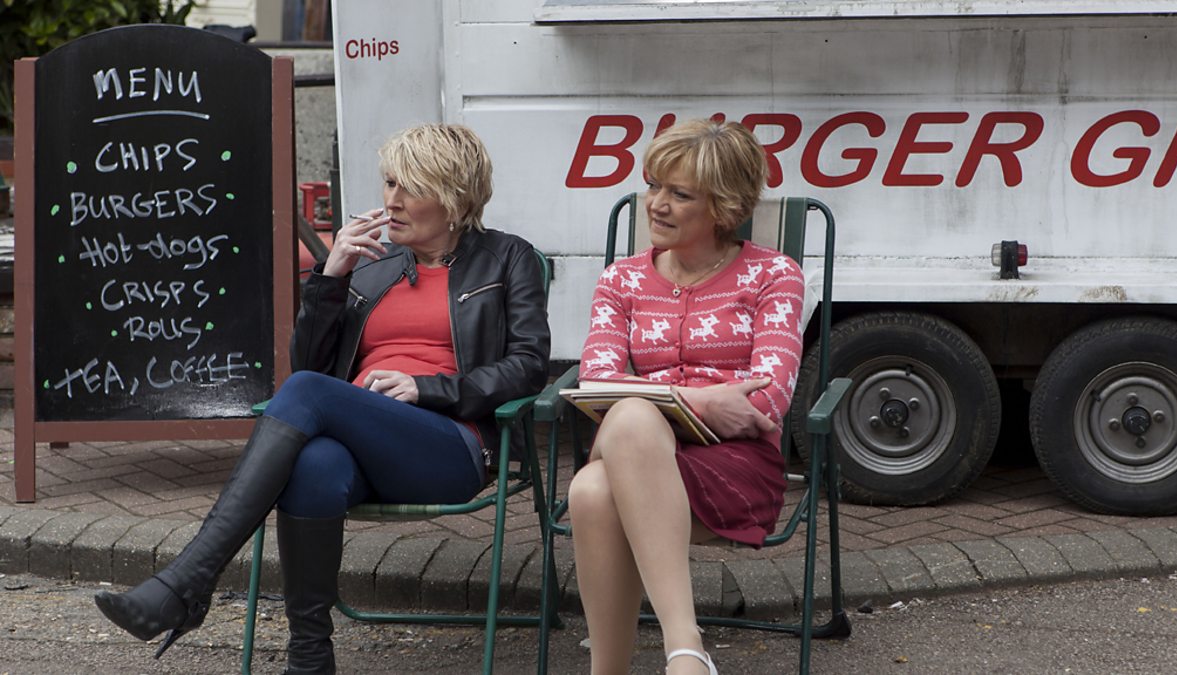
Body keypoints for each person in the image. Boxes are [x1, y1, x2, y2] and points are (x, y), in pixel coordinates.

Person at [94, 124, 550, 673]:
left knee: (307, 395)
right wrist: (330, 278)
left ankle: (187, 582)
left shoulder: (507, 258)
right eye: (389, 183)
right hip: (363, 444)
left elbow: (528, 366)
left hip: (450, 443)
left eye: (409, 187)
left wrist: (428, 388)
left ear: (454, 198)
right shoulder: (373, 266)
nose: (391, 200)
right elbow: (309, 369)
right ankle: (309, 657)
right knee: (313, 464)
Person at [569, 119, 805, 675]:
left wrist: (650, 401)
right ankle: (685, 652)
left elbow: (765, 402)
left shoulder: (773, 275)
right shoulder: (621, 280)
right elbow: (595, 379)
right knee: (624, 430)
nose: (656, 204)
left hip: (732, 465)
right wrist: (696, 400)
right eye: (654, 186)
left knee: (595, 484)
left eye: (679, 194)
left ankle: (650, 657)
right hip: (640, 452)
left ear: (722, 207)